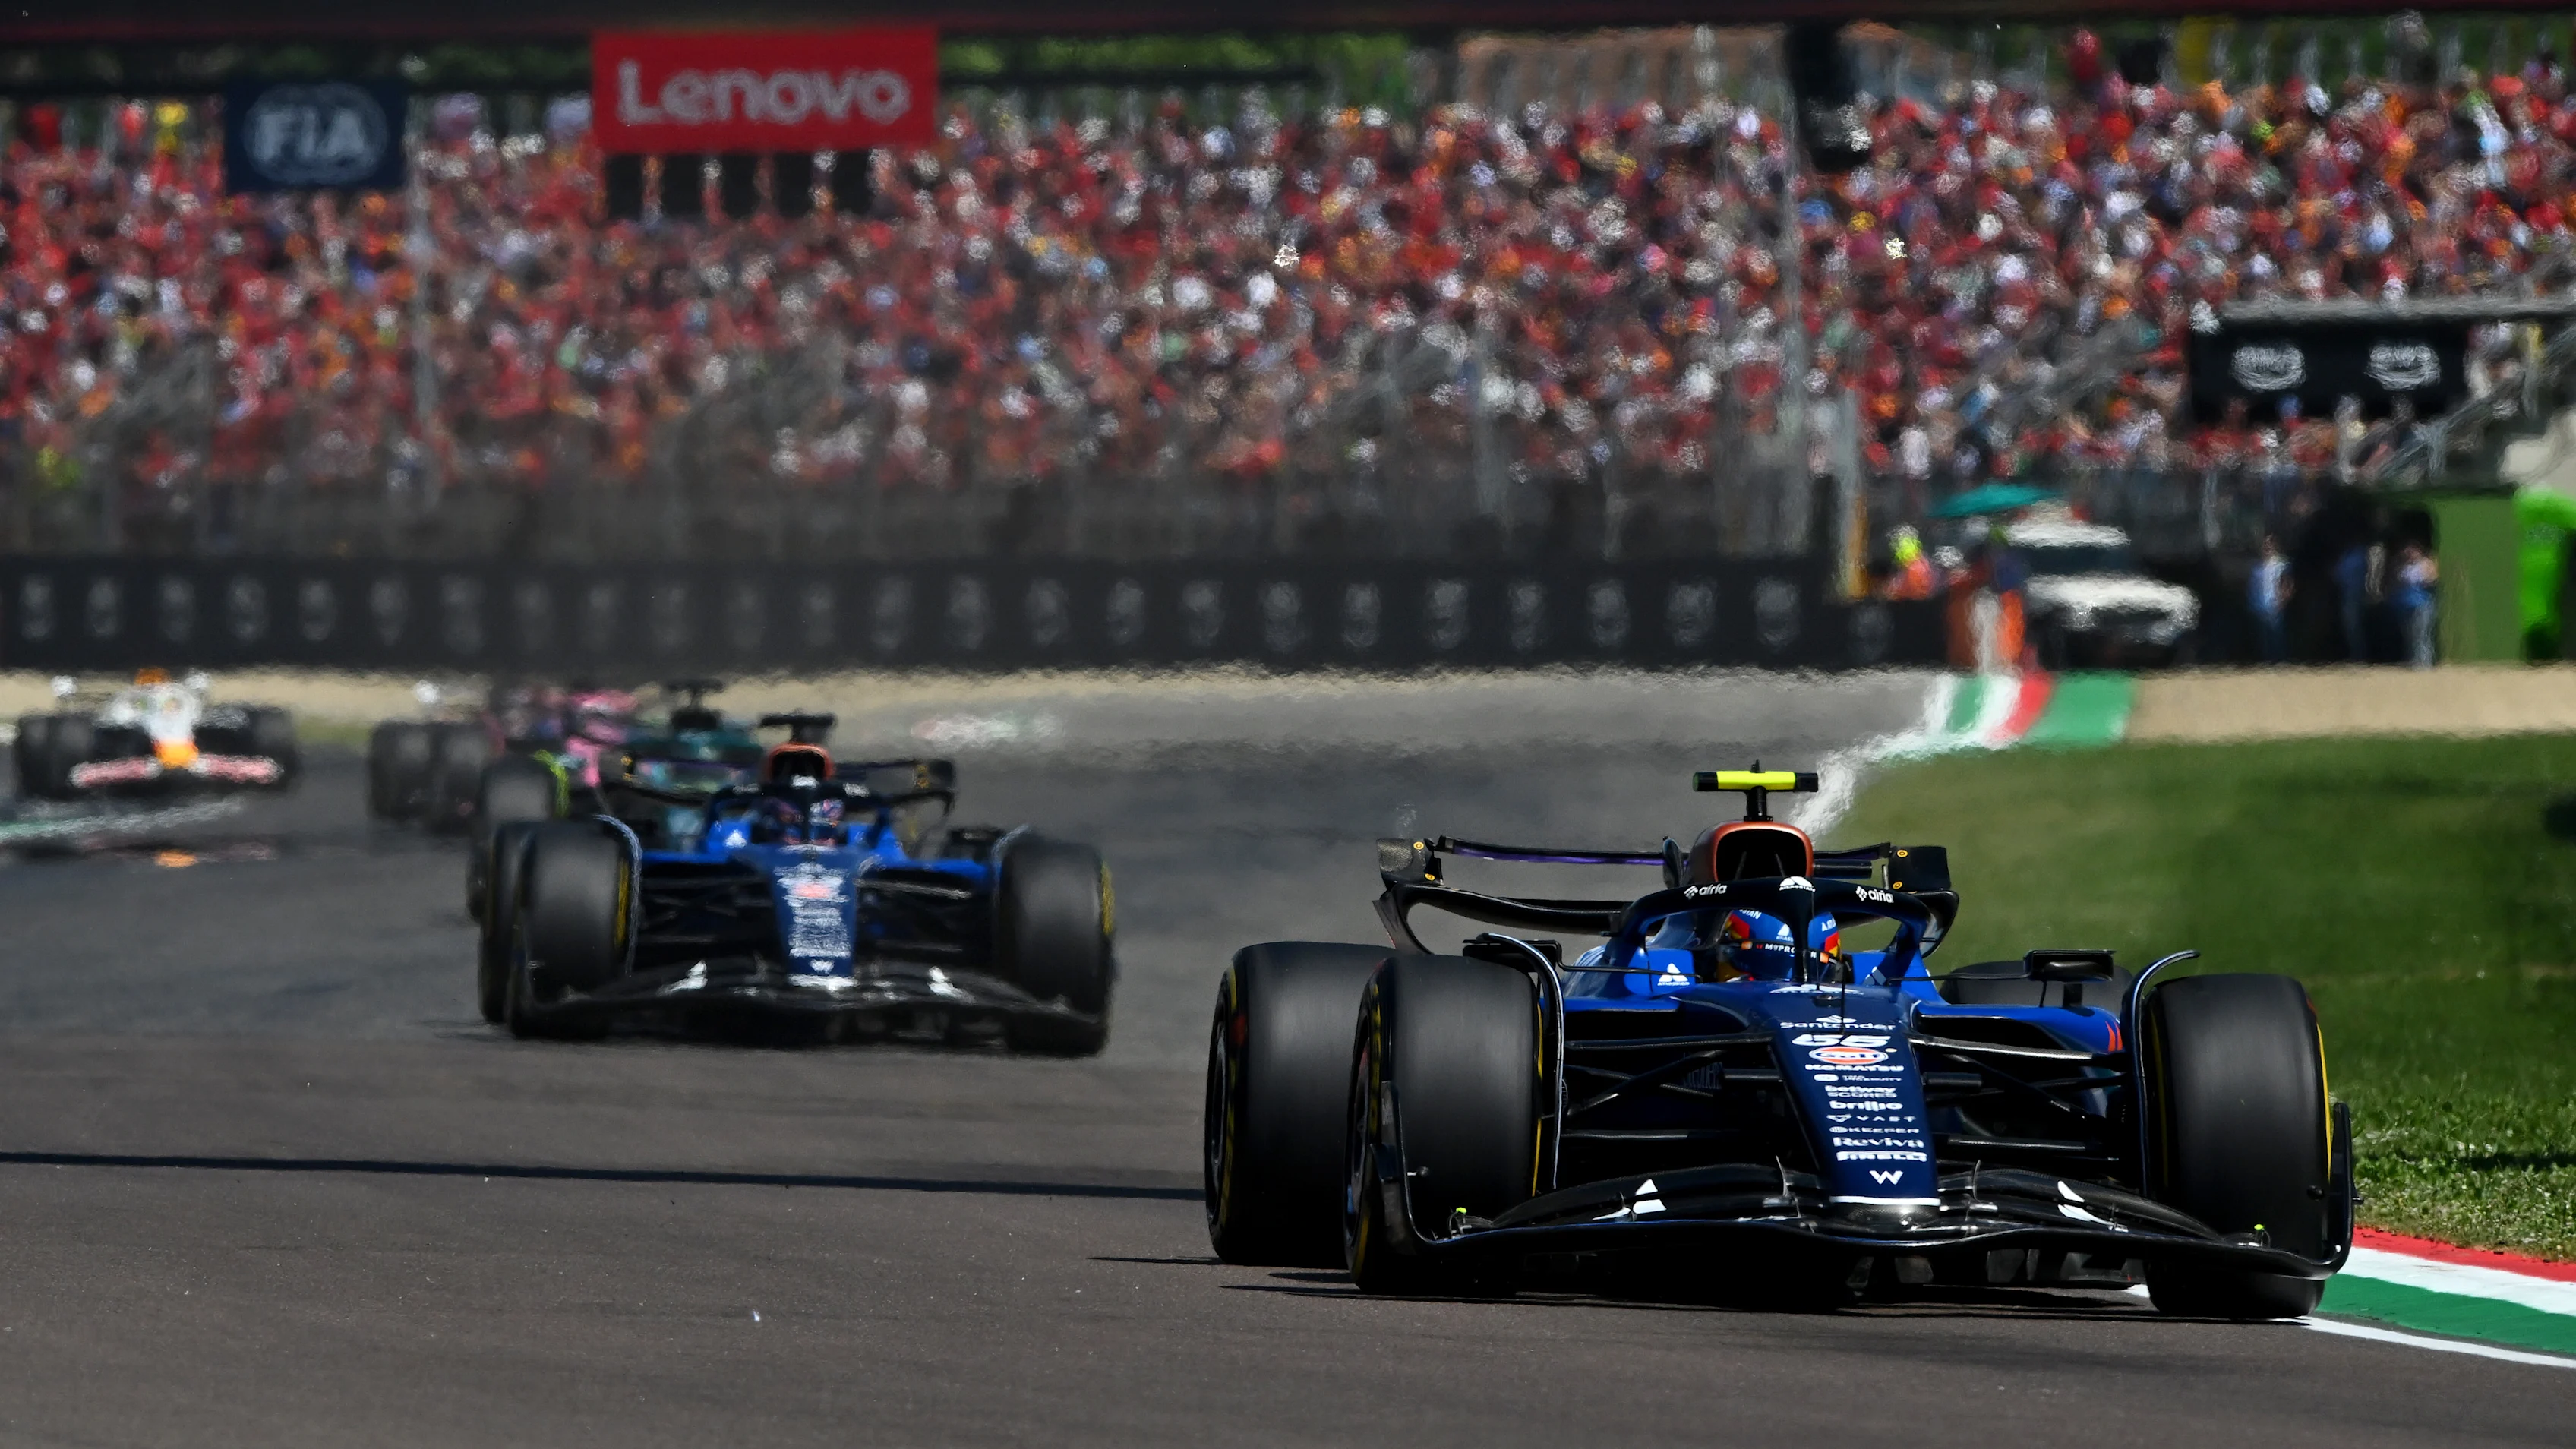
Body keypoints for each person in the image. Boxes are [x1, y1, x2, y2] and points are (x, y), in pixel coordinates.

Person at [2394, 543, 2439, 668]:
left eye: (2413, 550)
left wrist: (2427, 580)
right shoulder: (2404, 567)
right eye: (2408, 550)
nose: (2410, 552)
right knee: (2411, 636)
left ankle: (2425, 663)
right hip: (2406, 607)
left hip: (2422, 605)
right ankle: (2414, 661)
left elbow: (2434, 580)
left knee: (2422, 634)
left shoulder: (2426, 564)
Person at [2249, 535, 2293, 663]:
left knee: (2278, 636)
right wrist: (2253, 605)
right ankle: (2268, 661)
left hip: (2277, 607)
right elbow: (2253, 588)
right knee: (2264, 639)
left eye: (2270, 544)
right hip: (2261, 608)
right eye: (2265, 544)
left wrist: (2282, 601)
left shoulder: (2282, 565)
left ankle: (2281, 661)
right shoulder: (2258, 567)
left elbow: (2288, 584)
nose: (2267, 547)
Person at [2334, 542, 2372, 661]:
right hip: (2346, 595)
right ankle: (2354, 655)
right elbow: (2338, 574)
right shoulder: (2346, 555)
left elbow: (2365, 575)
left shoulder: (2360, 555)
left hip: (2357, 595)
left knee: (2356, 628)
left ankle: (2359, 656)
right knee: (2350, 628)